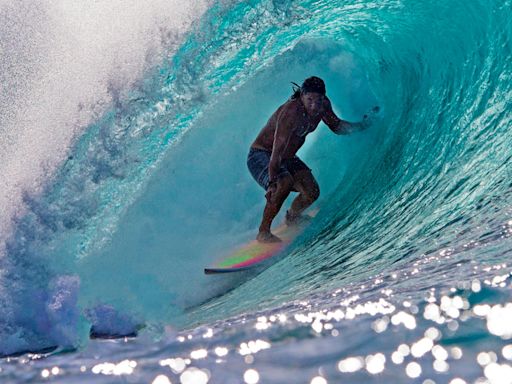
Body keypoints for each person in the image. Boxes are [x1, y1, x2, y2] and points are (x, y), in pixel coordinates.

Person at [247, 76, 378, 243]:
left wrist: (360, 126)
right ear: (302, 96)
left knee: (311, 192)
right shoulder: (290, 113)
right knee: (283, 182)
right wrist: (272, 184)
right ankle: (263, 232)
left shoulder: (323, 106)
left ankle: (293, 218)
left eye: (319, 100)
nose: (314, 105)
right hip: (262, 155)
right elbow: (276, 153)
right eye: (310, 100)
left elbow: (337, 127)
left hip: (287, 158)